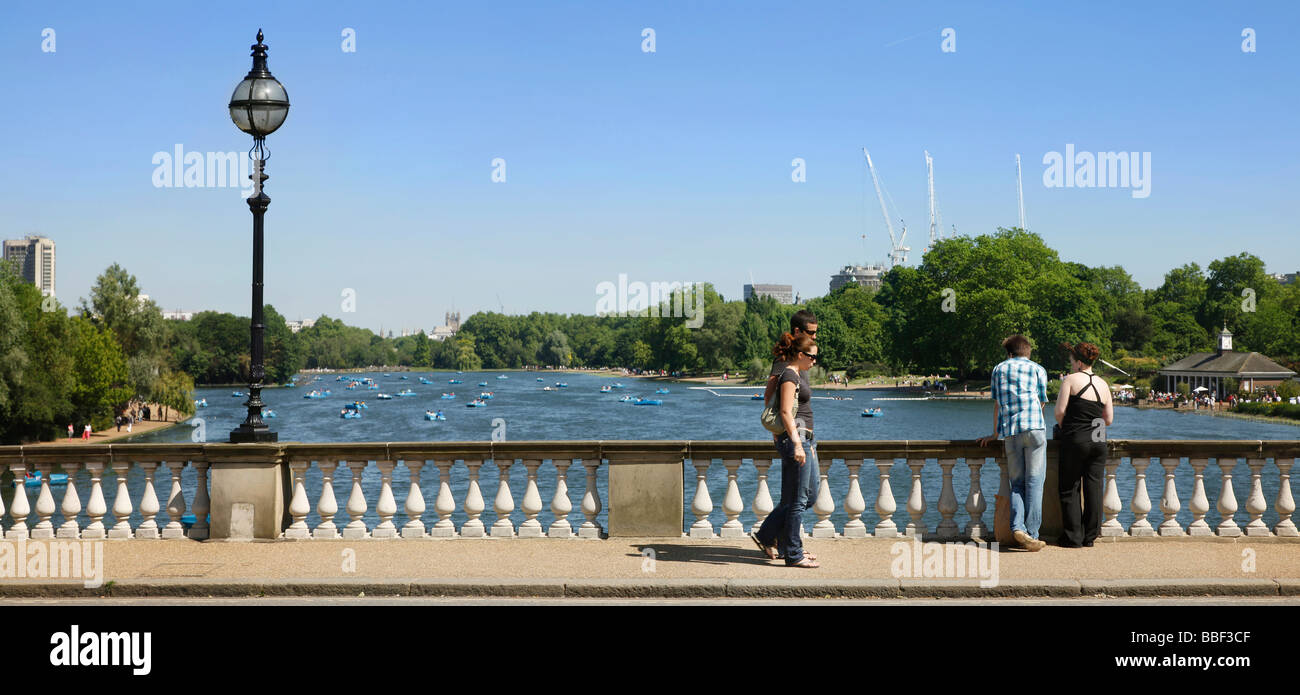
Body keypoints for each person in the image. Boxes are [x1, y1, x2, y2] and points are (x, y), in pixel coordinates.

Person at [751, 332, 821, 568]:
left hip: (801, 439)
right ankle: (793, 553)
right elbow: (784, 412)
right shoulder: (789, 375)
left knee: (805, 496)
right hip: (795, 440)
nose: (814, 362)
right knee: (798, 500)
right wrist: (798, 443)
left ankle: (768, 536)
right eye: (811, 357)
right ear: (800, 354)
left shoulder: (795, 373)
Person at [977, 335, 1049, 551]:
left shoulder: (999, 369)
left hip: (1011, 432)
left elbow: (998, 404)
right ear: (1027, 351)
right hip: (1035, 429)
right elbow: (1042, 400)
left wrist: (994, 433)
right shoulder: (1038, 369)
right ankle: (1032, 534)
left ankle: (1018, 527)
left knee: (1017, 483)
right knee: (1035, 482)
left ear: (1009, 353)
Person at [1055, 342, 1113, 548]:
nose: (1071, 365)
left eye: (1072, 361)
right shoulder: (1104, 384)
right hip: (1099, 439)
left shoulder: (1070, 380)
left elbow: (1060, 412)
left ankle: (1073, 537)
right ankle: (1090, 536)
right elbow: (1108, 419)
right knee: (1094, 487)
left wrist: (1068, 428)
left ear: (1079, 362)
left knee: (1069, 487)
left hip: (1076, 437)